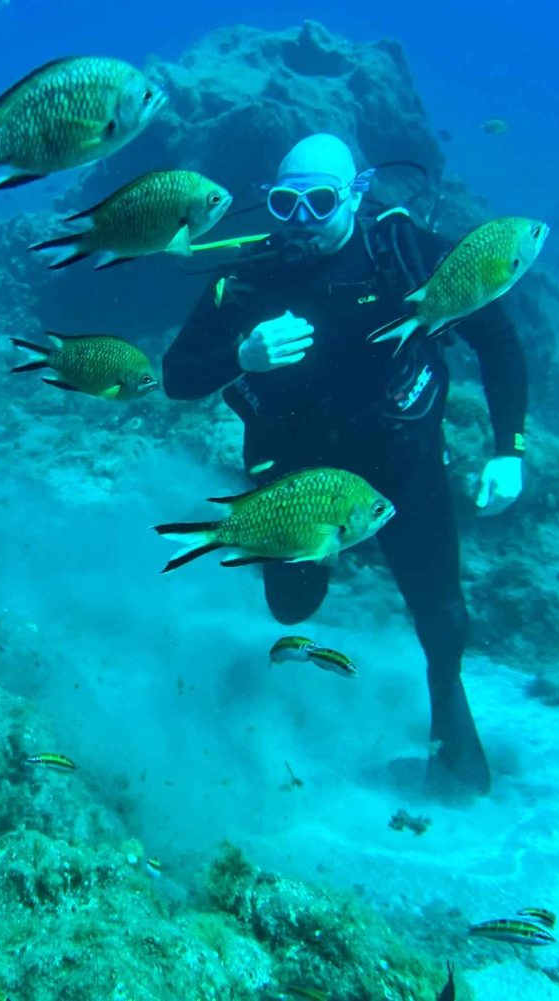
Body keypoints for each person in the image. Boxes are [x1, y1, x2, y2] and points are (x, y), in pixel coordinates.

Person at [163, 134, 529, 797]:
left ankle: (450, 732)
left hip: (400, 457)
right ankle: (316, 580)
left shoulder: (406, 254)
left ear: (357, 192)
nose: (299, 221)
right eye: (284, 204)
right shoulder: (248, 282)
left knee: (441, 614)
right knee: (290, 609)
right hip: (297, 474)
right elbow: (177, 375)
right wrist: (239, 357)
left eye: (321, 201)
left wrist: (509, 449)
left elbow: (499, 338)